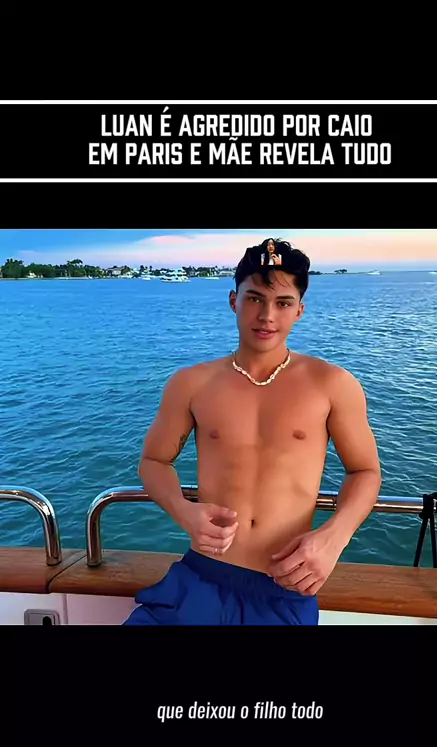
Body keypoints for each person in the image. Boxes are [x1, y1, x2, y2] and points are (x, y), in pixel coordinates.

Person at [124, 238, 381, 626]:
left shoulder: (331, 384)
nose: (267, 316)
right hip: (200, 575)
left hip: (283, 584)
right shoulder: (192, 383)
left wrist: (333, 538)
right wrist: (184, 511)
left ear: (300, 310)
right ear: (234, 301)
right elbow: (154, 461)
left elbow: (365, 471)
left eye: (283, 303)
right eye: (255, 299)